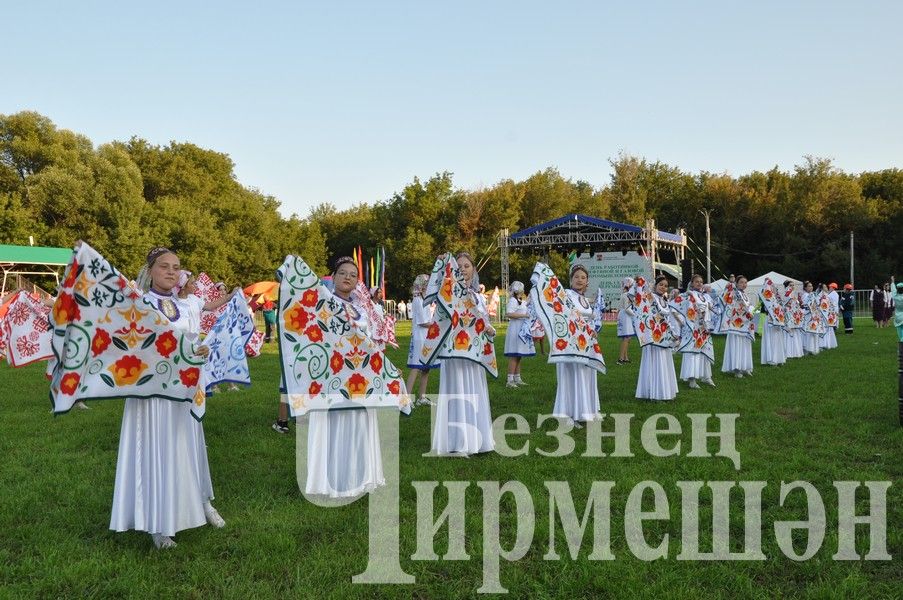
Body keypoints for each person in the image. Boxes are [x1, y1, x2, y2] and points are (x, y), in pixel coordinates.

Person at [111, 247, 227, 549]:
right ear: (151, 271)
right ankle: (159, 523)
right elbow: (129, 344)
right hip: (153, 392)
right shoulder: (138, 304)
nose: (172, 272)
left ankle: (201, 500)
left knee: (188, 446)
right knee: (157, 449)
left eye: (177, 267)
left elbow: (192, 342)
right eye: (165, 266)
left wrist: (202, 349)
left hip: (185, 390)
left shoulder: (186, 306)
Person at [431, 252, 495, 456]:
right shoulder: (447, 295)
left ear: (473, 270)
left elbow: (483, 322)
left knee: (474, 390)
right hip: (454, 353)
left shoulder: (477, 297)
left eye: (467, 266)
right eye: (459, 266)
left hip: (474, 353)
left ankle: (478, 439)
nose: (463, 269)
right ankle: (457, 441)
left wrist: (489, 329)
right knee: (456, 391)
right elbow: (439, 321)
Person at [551, 265, 602, 424]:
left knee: (587, 375)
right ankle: (569, 414)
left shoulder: (585, 299)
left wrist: (593, 332)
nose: (580, 280)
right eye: (577, 277)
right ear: (571, 280)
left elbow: (591, 319)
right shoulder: (566, 295)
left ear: (587, 282)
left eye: (583, 277)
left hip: (586, 342)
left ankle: (588, 409)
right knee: (572, 376)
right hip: (570, 342)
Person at [634, 275, 679, 402]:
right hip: (653, 336)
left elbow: (668, 319)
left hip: (664, 336)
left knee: (664, 362)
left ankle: (663, 391)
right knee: (655, 362)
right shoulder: (651, 297)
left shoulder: (665, 300)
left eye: (665, 286)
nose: (663, 287)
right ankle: (653, 392)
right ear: (655, 285)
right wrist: (640, 282)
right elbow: (641, 298)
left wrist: (673, 333)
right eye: (661, 285)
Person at [676, 274, 715, 388]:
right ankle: (692, 379)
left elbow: (712, 308)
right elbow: (683, 308)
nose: (699, 283)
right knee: (692, 351)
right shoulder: (689, 295)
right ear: (692, 283)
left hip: (704, 328)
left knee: (705, 350)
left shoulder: (706, 296)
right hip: (693, 327)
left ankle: (706, 376)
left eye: (701, 282)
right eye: (697, 281)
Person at [405, 274, 437, 406]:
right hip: (419, 337)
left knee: (426, 368)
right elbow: (422, 322)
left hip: (427, 336)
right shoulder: (417, 300)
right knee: (416, 368)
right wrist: (436, 324)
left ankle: (421, 397)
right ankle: (406, 399)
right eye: (427, 283)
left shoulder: (428, 299)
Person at [721, 275, 754, 377]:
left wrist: (751, 311)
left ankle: (745, 367)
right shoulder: (734, 293)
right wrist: (727, 288)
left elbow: (748, 307)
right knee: (737, 345)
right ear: (737, 283)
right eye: (741, 282)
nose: (744, 284)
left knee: (745, 346)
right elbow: (727, 301)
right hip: (736, 324)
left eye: (745, 282)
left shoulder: (746, 295)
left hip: (745, 323)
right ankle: (737, 369)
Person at [503, 281, 534, 387]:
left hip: (520, 329)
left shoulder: (520, 300)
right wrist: (524, 316)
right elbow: (509, 314)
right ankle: (510, 380)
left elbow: (526, 305)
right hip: (515, 329)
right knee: (514, 355)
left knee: (519, 355)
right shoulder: (513, 300)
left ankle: (517, 378)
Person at [616, 277, 635, 364]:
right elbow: (627, 308)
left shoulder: (626, 294)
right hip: (626, 316)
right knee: (626, 337)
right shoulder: (627, 295)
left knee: (627, 338)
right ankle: (621, 358)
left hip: (625, 315)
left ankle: (625, 357)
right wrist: (636, 315)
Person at [799, 281, 821, 356]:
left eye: (811, 286)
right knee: (808, 332)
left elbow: (816, 303)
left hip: (813, 315)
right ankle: (808, 348)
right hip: (808, 316)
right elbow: (806, 306)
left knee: (813, 331)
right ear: (805, 287)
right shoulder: (805, 295)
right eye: (809, 286)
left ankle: (813, 348)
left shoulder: (812, 294)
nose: (811, 287)